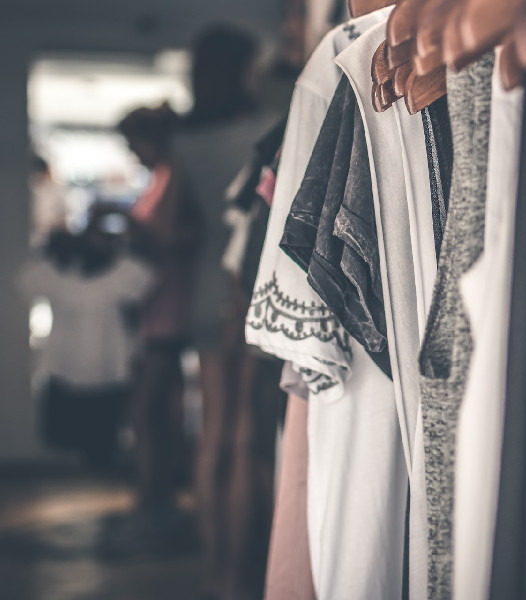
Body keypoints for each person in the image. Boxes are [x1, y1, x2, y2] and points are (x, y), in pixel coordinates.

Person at [172, 24, 281, 600]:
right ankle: (237, 581)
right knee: (241, 434)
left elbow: (176, 224)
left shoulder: (183, 142)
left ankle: (213, 572)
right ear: (241, 71)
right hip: (247, 284)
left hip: (202, 287)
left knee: (209, 432)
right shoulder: (264, 131)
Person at [117, 105, 203, 529]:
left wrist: (126, 224)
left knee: (146, 408)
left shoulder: (175, 175)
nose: (132, 152)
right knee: (159, 409)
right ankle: (156, 497)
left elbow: (172, 236)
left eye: (134, 144)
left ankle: (153, 498)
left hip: (171, 306)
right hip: (159, 304)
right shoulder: (163, 178)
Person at [18, 225, 153, 468]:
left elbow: (144, 277)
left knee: (105, 437)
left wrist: (120, 244)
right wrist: (56, 248)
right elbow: (26, 280)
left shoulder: (120, 275)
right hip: (66, 370)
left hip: (108, 370)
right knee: (66, 437)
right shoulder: (56, 276)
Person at [29, 155, 67, 248]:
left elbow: (64, 214)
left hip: (52, 237)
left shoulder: (55, 191)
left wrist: (54, 224)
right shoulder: (29, 190)